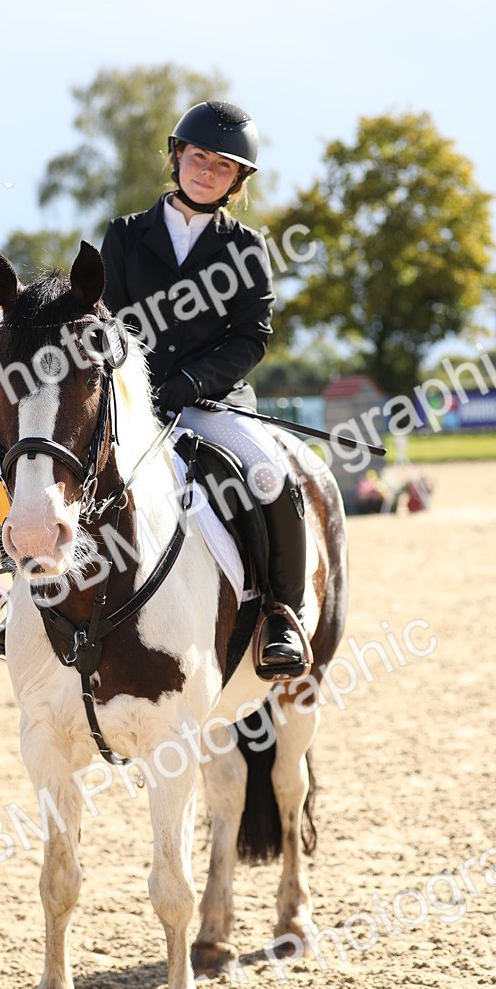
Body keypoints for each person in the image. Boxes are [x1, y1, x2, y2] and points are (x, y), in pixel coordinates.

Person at [99, 100, 308, 678]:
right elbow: (103, 320)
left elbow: (251, 337)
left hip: (212, 403)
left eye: (222, 165)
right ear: (177, 157)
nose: (207, 171)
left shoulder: (245, 249)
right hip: (134, 403)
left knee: (270, 474)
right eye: (199, 158)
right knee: (60, 466)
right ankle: (19, 598)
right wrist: (136, 383)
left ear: (237, 180)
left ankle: (281, 615)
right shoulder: (122, 237)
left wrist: (190, 381)